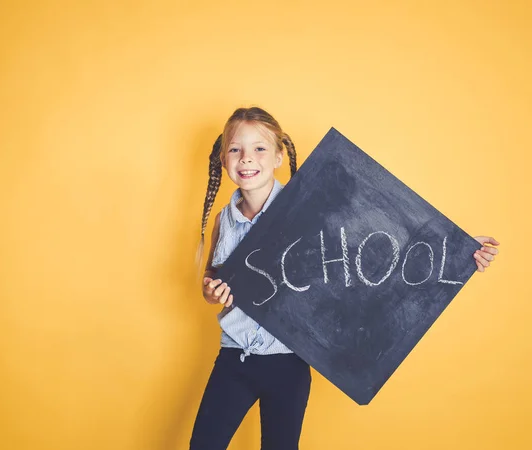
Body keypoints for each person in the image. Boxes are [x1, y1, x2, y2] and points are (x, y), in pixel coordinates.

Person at [189, 106, 499, 450]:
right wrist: (212, 291)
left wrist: (460, 250)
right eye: (236, 149)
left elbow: (380, 250)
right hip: (235, 358)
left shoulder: (309, 215)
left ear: (278, 156)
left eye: (259, 148)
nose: (247, 158)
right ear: (223, 158)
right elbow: (210, 286)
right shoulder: (223, 222)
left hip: (288, 363)